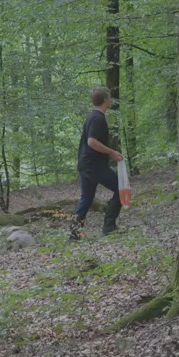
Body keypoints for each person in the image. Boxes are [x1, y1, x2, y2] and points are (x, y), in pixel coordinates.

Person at [70, 86, 123, 241]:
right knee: (120, 188)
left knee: (87, 198)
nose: (110, 99)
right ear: (105, 99)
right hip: (93, 165)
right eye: (109, 97)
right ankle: (109, 226)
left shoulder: (93, 116)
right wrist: (112, 152)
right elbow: (91, 141)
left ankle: (74, 234)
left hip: (86, 164)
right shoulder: (97, 118)